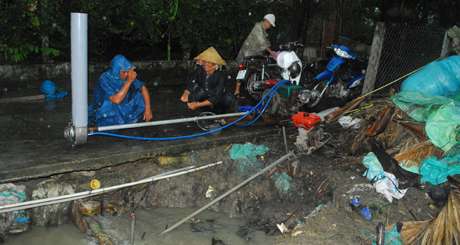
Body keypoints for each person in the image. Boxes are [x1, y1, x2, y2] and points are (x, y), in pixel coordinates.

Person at [88, 54, 153, 127]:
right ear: (116, 70)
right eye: (124, 72)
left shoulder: (126, 76)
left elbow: (143, 88)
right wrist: (129, 81)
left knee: (139, 95)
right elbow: (116, 100)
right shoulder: (104, 79)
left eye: (127, 71)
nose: (126, 74)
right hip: (105, 108)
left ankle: (127, 121)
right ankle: (109, 124)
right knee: (110, 103)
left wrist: (148, 109)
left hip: (121, 104)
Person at [180, 47, 234, 122]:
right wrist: (185, 94)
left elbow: (215, 97)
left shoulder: (220, 75)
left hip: (216, 101)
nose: (206, 64)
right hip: (204, 99)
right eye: (204, 61)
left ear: (214, 63)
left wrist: (197, 105)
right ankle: (205, 113)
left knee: (228, 97)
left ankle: (220, 115)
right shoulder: (199, 71)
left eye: (209, 62)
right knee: (199, 91)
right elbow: (191, 84)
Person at [234, 14, 277, 98]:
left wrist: (262, 54)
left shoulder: (262, 29)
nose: (270, 26)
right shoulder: (258, 27)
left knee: (249, 72)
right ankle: (237, 91)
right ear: (266, 21)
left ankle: (248, 91)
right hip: (247, 53)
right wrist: (271, 52)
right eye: (270, 24)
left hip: (252, 52)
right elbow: (262, 43)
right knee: (244, 71)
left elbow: (258, 44)